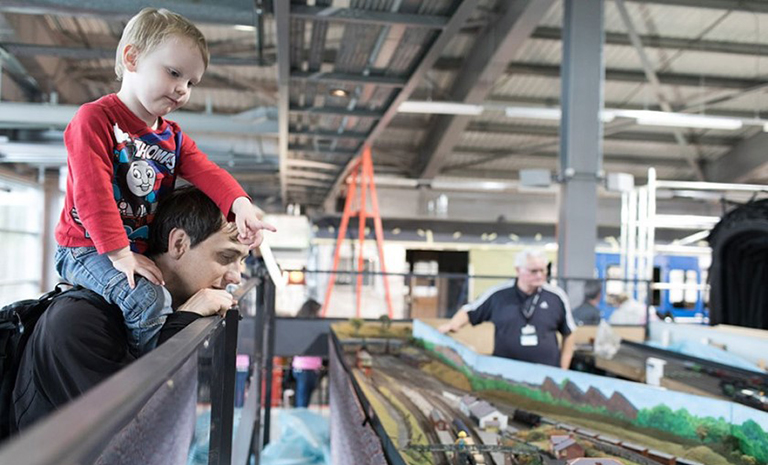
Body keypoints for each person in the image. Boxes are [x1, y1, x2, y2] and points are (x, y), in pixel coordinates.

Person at [53, 7, 275, 357]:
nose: (182, 90)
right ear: (132, 58)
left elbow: (207, 172)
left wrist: (240, 206)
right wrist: (120, 255)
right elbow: (92, 195)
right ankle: (141, 381)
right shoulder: (95, 119)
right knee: (148, 299)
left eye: (190, 83)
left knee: (161, 295)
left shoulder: (170, 136)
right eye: (173, 73)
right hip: (87, 248)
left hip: (129, 250)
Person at [12, 186, 252, 433]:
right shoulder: (80, 321)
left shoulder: (172, 306)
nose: (236, 277)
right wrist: (182, 323)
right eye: (226, 257)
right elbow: (137, 433)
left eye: (242, 261)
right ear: (179, 243)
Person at [438, 248, 576, 369]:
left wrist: (563, 369)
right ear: (518, 270)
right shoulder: (498, 294)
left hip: (546, 373)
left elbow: (569, 333)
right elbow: (469, 311)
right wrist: (453, 324)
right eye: (533, 271)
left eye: (543, 270)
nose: (539, 275)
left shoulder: (556, 296)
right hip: (505, 371)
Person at [291, 299, 324, 408]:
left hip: (310, 368)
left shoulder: (303, 326)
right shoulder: (307, 327)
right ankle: (299, 422)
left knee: (304, 399)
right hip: (305, 368)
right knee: (302, 401)